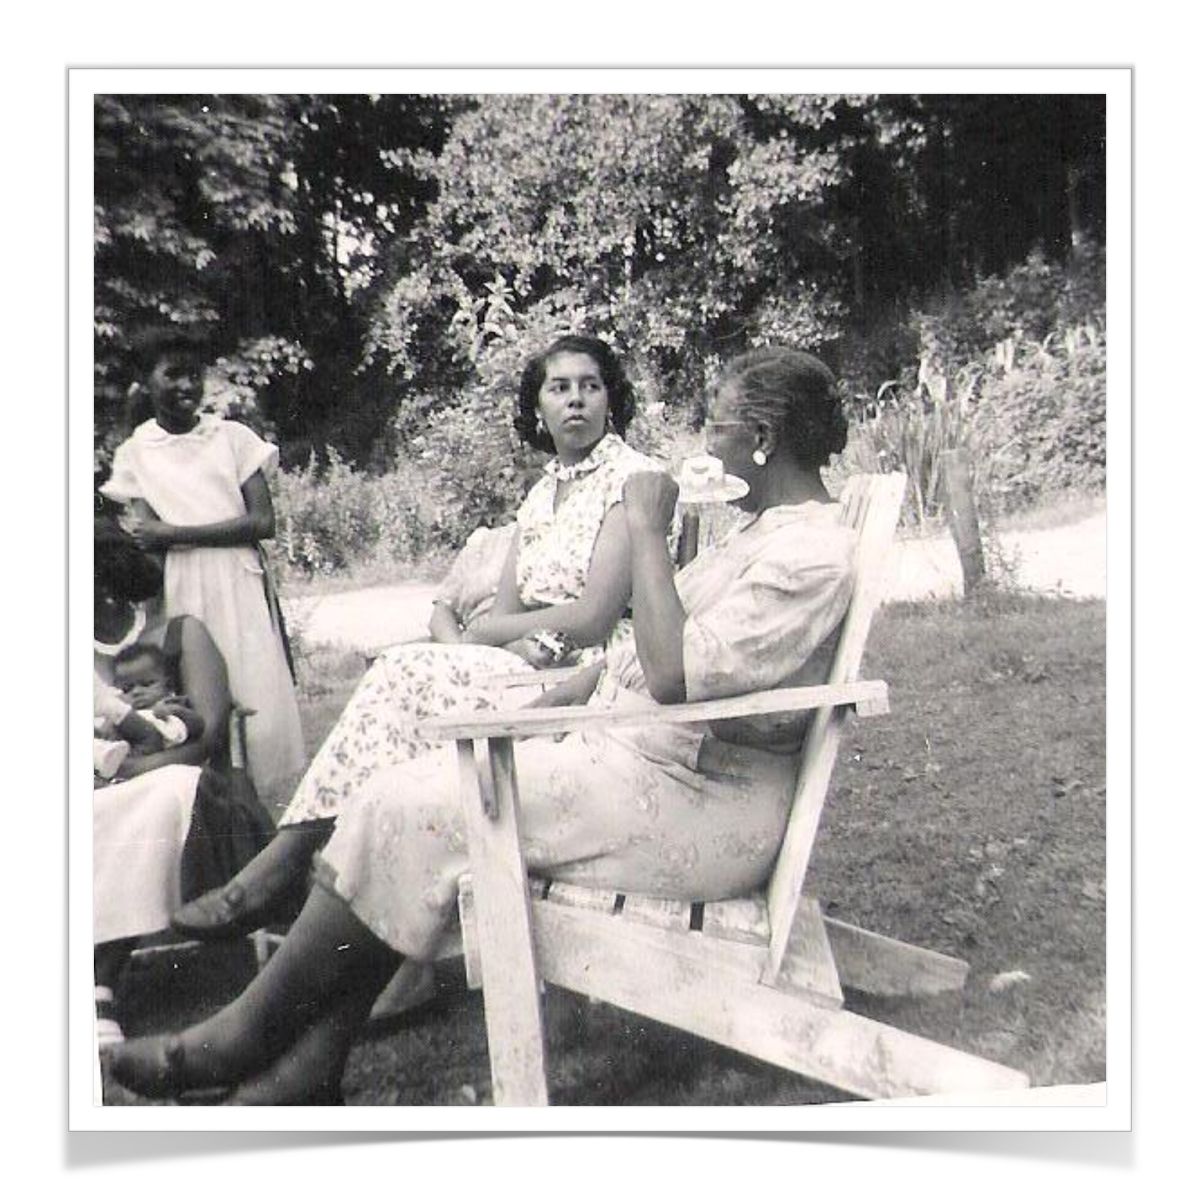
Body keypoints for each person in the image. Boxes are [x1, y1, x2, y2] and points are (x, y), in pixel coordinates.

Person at [104, 345, 857, 1104]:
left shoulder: (810, 555)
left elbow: (672, 673)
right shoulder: (761, 532)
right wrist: (549, 702)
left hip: (696, 803)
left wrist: (649, 532)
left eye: (719, 424)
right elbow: (637, 655)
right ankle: (306, 1065)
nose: (707, 441)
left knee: (416, 810)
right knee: (398, 792)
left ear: (762, 434)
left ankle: (242, 1038)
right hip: (635, 760)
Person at [169, 334, 669, 948]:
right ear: (536, 406)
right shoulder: (543, 493)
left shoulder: (631, 478)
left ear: (610, 398)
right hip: (525, 665)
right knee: (402, 691)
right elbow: (511, 606)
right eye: (558, 387)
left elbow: (593, 616)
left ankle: (286, 869)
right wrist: (496, 636)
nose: (575, 401)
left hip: (591, 677)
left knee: (403, 679)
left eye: (590, 386)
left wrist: (487, 634)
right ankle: (346, 908)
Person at [100, 327, 305, 800]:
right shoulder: (136, 452)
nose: (186, 387)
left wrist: (178, 534)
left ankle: (267, 805)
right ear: (146, 382)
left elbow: (262, 520)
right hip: (182, 587)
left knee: (258, 697)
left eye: (194, 375)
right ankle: (212, 808)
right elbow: (147, 540)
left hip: (237, 579)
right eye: (173, 375)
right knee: (197, 702)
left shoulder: (231, 438)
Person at [92, 530, 240, 1044]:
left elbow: (212, 732)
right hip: (97, 783)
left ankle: (100, 985)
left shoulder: (180, 632)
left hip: (182, 781)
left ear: (105, 586)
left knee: (160, 792)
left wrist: (135, 770)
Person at [94, 643, 205, 780]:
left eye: (147, 684)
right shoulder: (125, 715)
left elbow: (198, 726)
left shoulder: (170, 703)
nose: (137, 692)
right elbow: (109, 734)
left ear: (168, 684)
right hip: (129, 766)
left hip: (166, 763)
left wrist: (173, 711)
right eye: (128, 688)